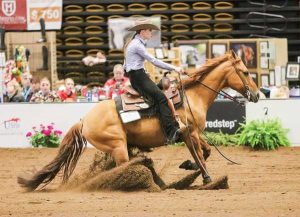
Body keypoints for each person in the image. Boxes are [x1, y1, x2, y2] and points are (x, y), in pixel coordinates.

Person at [124, 19, 186, 144]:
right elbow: (154, 61)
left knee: (162, 86)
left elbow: (127, 64)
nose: (151, 32)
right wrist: (175, 68)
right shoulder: (137, 45)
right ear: (142, 31)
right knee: (162, 98)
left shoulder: (135, 43)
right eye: (149, 30)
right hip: (139, 77)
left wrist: (141, 70)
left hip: (139, 76)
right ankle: (171, 132)